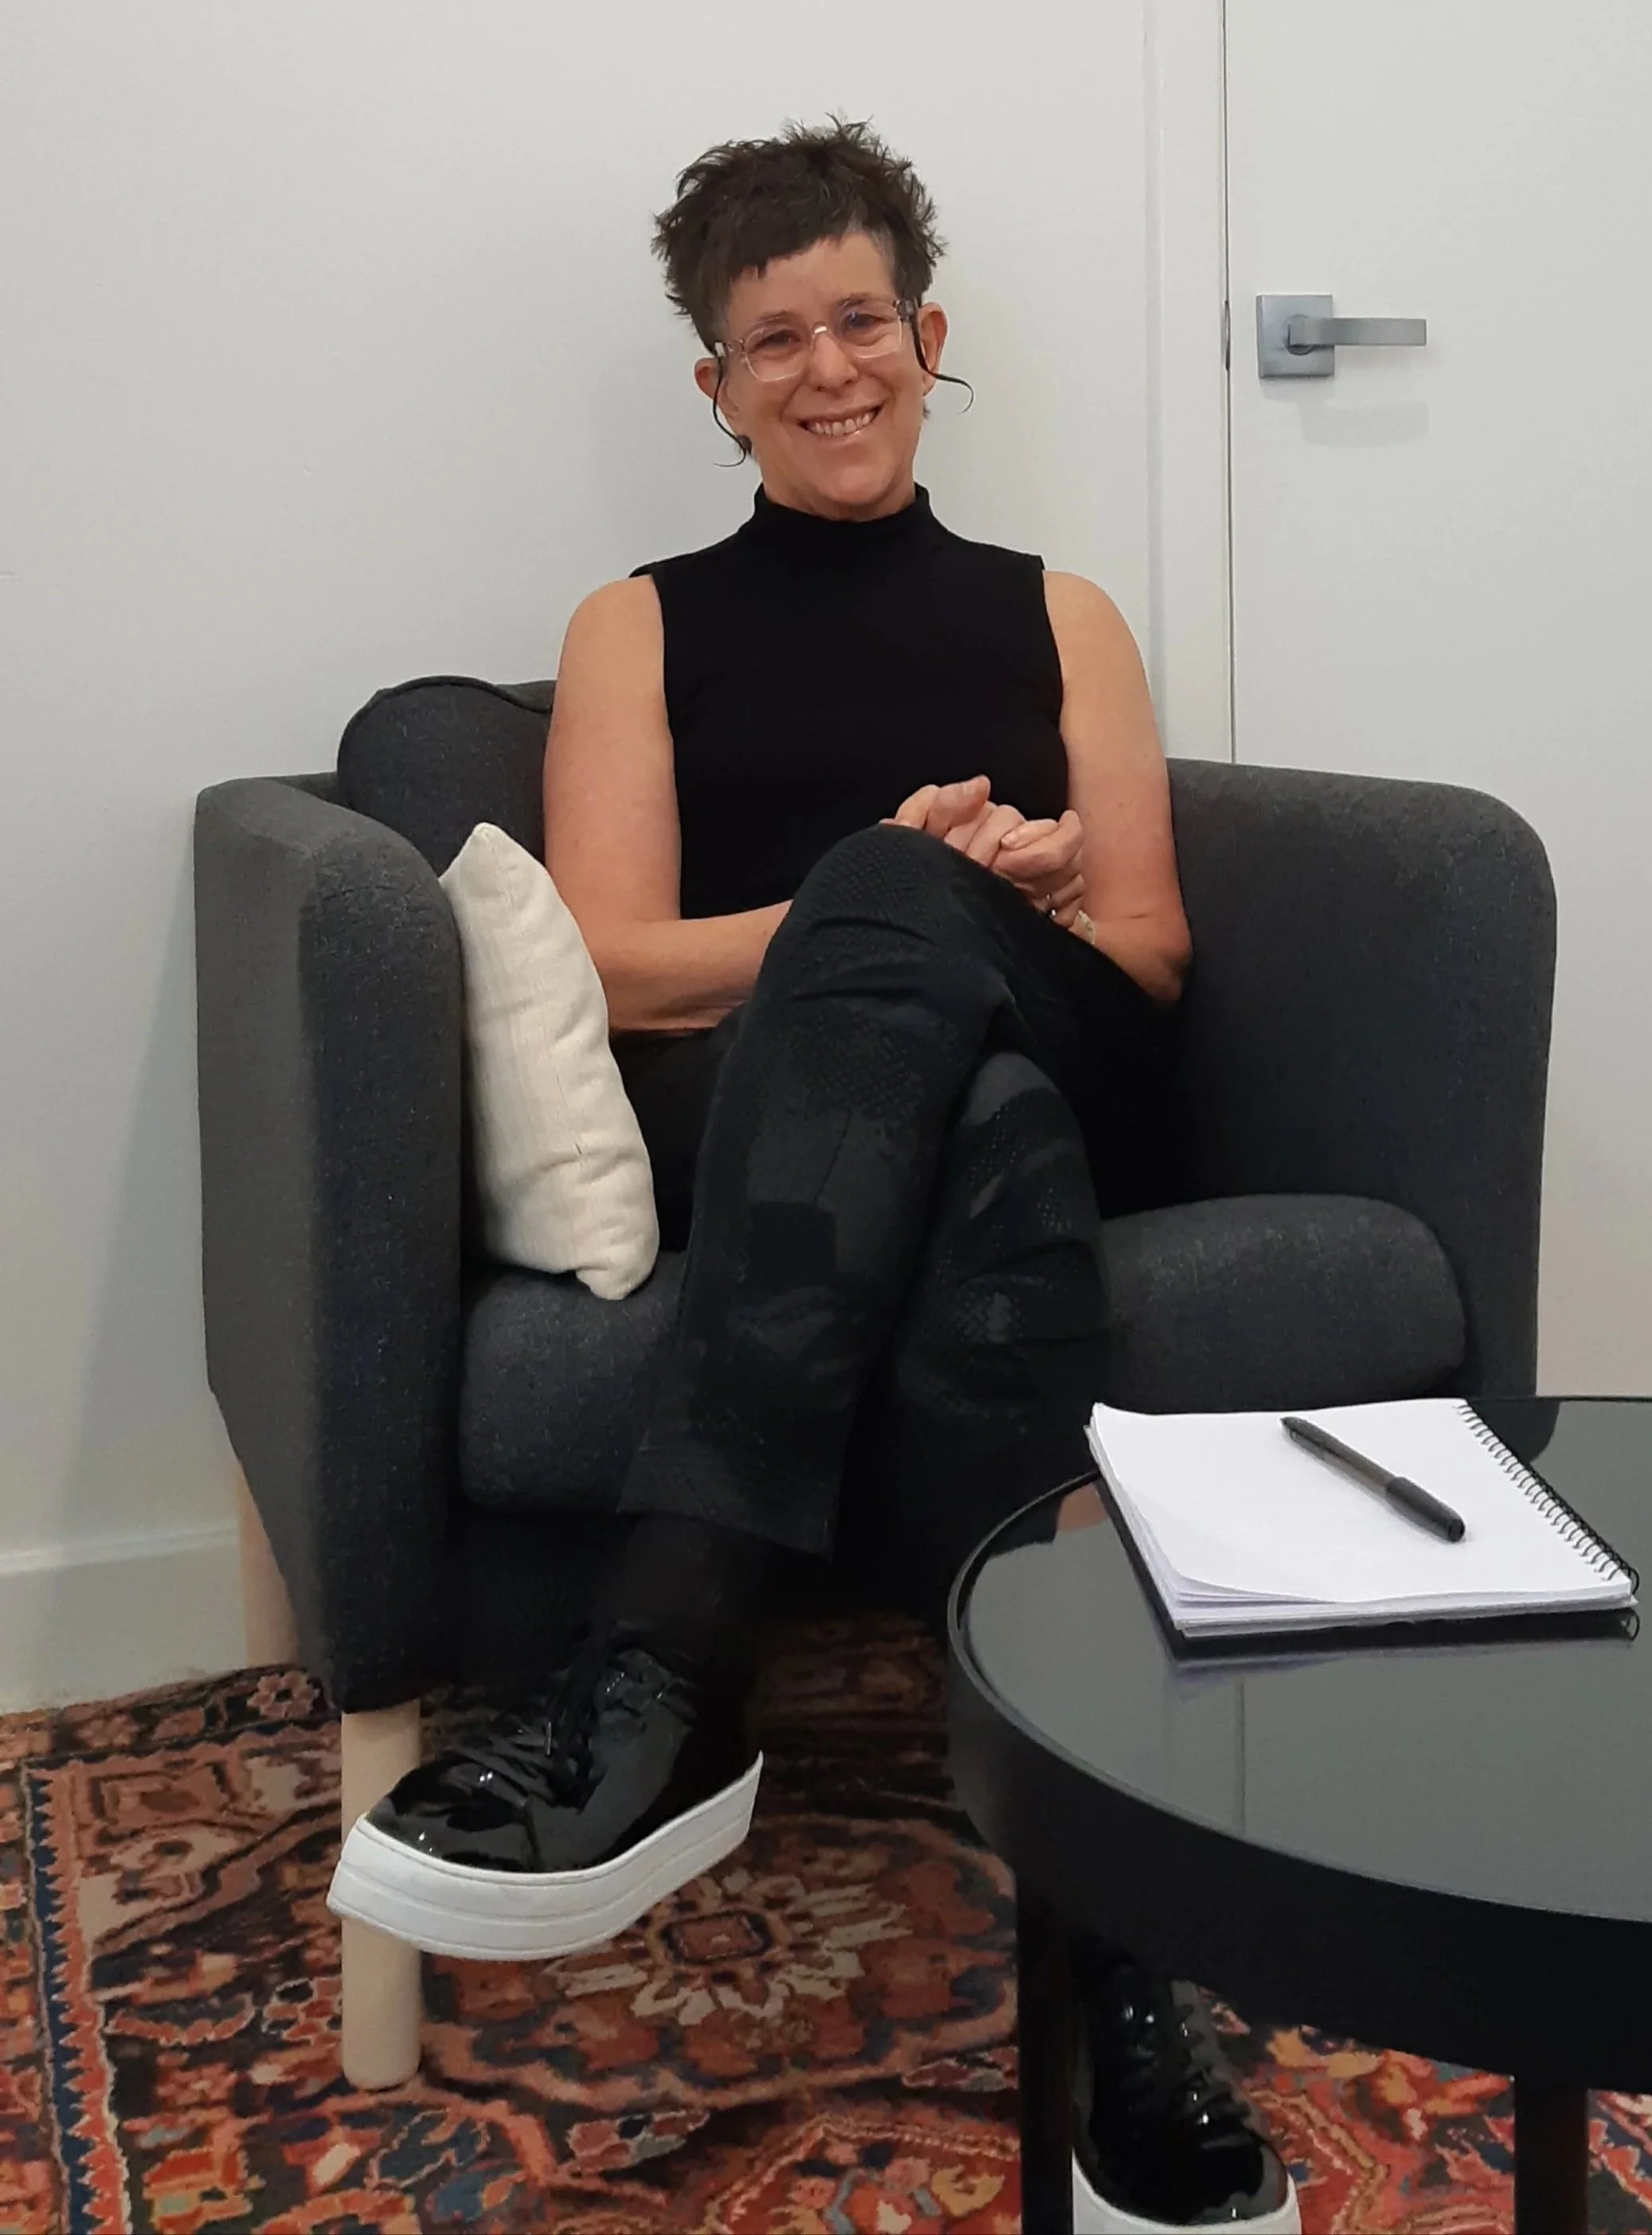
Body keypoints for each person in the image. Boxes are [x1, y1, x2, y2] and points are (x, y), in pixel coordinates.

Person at [331, 121, 1299, 2233]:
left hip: (1070, 1030)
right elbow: (612, 957)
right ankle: (1117, 1944)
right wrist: (894, 902)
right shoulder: (634, 627)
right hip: (807, 1108)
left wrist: (1007, 895)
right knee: (977, 1118)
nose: (829, 366)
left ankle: (670, 1657)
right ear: (717, 385)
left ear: (929, 337)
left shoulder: (1065, 611)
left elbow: (1142, 946)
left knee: (976, 1010)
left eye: (863, 319)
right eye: (775, 339)